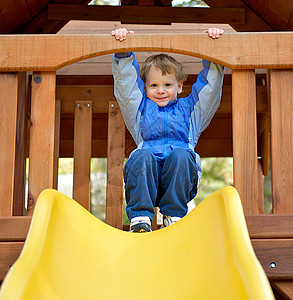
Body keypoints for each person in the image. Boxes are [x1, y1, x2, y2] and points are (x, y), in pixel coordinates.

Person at [111, 28, 224, 232]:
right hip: (146, 182)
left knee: (181, 154)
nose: (161, 90)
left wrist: (213, 50)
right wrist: (123, 52)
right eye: (153, 85)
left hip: (178, 183)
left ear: (179, 86)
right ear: (145, 88)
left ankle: (173, 215)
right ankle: (140, 218)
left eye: (167, 84)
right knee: (141, 155)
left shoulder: (190, 111)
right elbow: (127, 90)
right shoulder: (140, 111)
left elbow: (209, 91)